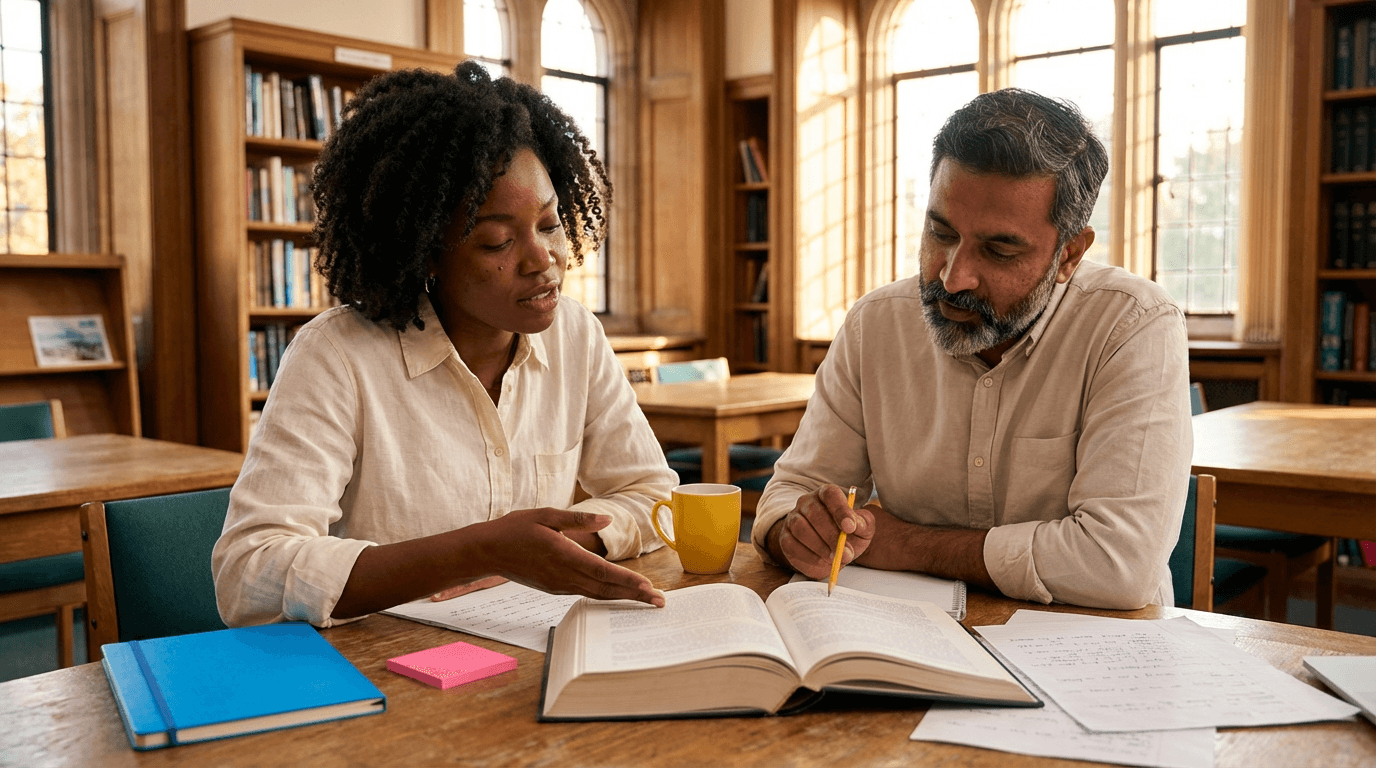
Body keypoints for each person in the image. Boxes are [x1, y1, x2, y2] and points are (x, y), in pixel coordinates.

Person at [213, 62, 675, 628]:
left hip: (525, 653)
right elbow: (248, 570)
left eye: (551, 225)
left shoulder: (576, 334)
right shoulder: (337, 357)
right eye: (497, 241)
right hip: (381, 672)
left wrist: (569, 547)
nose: (542, 260)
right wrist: (477, 551)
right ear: (428, 252)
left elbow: (651, 494)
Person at [752, 88, 1192, 610]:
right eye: (940, 233)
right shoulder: (876, 324)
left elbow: (1120, 565)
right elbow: (787, 496)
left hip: (1087, 657)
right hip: (903, 637)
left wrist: (909, 544)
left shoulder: (1132, 325)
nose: (953, 276)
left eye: (999, 250)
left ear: (1069, 254)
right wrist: (798, 532)